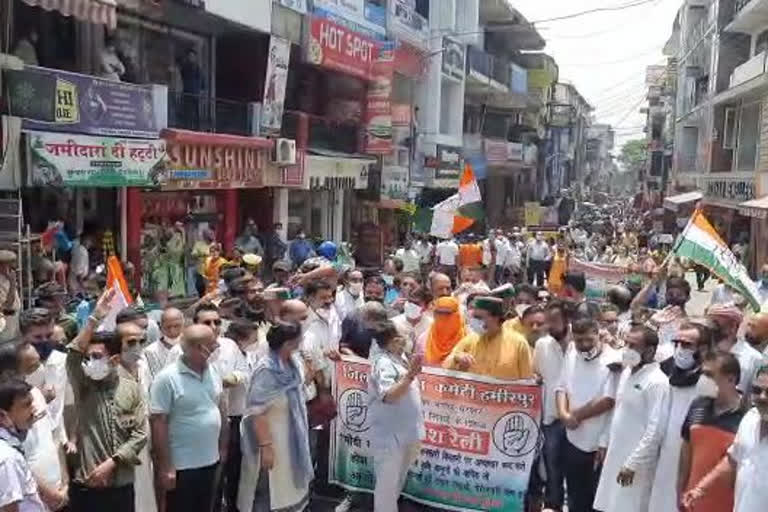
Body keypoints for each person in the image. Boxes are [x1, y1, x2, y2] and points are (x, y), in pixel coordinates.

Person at [66, 290, 147, 512]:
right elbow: (73, 354)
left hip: (121, 487)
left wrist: (112, 463)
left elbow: (140, 434)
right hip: (89, 488)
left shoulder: (130, 388)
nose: (88, 363)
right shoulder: (84, 385)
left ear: (114, 359)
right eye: (88, 357)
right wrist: (94, 318)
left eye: (96, 357)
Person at [150, 324, 228, 512]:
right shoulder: (166, 378)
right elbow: (158, 423)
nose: (217, 346)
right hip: (182, 467)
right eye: (212, 344)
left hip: (211, 460)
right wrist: (166, 467)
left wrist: (223, 446)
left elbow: (219, 408)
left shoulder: (213, 371)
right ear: (198, 348)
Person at [238, 321, 312, 512]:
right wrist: (266, 447)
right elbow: (257, 412)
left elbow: (299, 387)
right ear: (288, 343)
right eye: (299, 339)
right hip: (272, 439)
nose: (301, 342)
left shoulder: (292, 362)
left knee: (291, 489)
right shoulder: (267, 370)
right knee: (270, 492)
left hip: (292, 436)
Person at [594, 325, 669, 512]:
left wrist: (633, 463)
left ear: (650, 350)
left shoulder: (657, 382)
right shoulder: (627, 372)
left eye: (633, 345)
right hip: (614, 455)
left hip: (635, 465)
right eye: (626, 343)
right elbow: (617, 411)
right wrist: (604, 442)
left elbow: (655, 429)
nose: (627, 349)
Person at [682, 364, 768, 512]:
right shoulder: (750, 419)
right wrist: (701, 488)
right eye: (757, 390)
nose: (762, 397)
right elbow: (732, 459)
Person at [648, 322, 713, 512]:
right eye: (677, 344)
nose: (679, 350)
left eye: (686, 345)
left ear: (703, 348)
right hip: (661, 456)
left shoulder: (709, 383)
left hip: (688, 460)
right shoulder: (666, 371)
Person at [555, 318, 619, 512]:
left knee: (596, 500)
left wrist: (575, 416)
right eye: (579, 340)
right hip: (572, 439)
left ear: (598, 334)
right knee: (575, 496)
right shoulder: (572, 351)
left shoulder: (614, 360)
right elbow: (561, 386)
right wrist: (563, 414)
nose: (584, 346)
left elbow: (609, 399)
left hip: (598, 444)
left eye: (588, 340)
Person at [677, 351, 746, 512]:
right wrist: (680, 489)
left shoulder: (746, 416)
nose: (703, 380)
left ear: (731, 379)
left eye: (709, 375)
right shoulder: (697, 405)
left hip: (726, 504)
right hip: (691, 500)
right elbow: (686, 451)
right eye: (702, 374)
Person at [368, 322, 424, 512]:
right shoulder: (382, 362)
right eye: (404, 335)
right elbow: (389, 396)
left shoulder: (400, 358)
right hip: (390, 437)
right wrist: (410, 376)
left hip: (406, 433)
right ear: (392, 340)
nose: (409, 338)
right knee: (387, 488)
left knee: (396, 485)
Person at [10, 343, 69, 511]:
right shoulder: (8, 411)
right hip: (33, 500)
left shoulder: (36, 394)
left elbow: (53, 437)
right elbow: (18, 460)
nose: (40, 369)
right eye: (32, 367)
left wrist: (65, 482)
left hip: (59, 492)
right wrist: (49, 493)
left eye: (40, 363)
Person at [531, 300, 570, 511]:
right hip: (552, 418)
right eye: (548, 322)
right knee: (552, 466)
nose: (551, 326)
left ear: (567, 320)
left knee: (576, 470)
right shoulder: (542, 345)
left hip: (578, 418)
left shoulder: (579, 344)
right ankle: (553, 505)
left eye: (555, 321)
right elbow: (536, 372)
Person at [443, 296, 533, 380]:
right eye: (474, 317)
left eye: (479, 318)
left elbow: (527, 381)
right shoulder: (470, 340)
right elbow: (445, 365)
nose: (475, 321)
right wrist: (456, 358)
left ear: (496, 318)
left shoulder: (519, 343)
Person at [19, 308, 69, 450]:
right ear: (23, 336)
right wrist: (39, 397)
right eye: (37, 337)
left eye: (49, 335)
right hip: (27, 444)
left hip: (58, 442)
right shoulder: (12, 368)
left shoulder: (62, 360)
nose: (45, 341)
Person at [0, 377, 47, 511]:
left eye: (32, 403)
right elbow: (10, 508)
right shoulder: (7, 458)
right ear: (2, 416)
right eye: (26, 405)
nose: (33, 410)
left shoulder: (10, 446)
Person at [706, 304, 763, 397]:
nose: (709, 327)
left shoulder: (753, 358)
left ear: (733, 326)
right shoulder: (702, 350)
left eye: (715, 323)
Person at [422, 296, 464, 366]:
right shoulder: (424, 339)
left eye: (447, 314)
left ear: (457, 315)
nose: (443, 317)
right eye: (439, 313)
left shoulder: (467, 339)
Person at [143, 307, 184, 381]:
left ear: (183, 324)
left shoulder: (193, 345)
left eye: (176, 326)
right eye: (168, 327)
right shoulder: (150, 351)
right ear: (161, 326)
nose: (172, 330)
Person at [391, 287, 433, 356]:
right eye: (409, 301)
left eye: (416, 303)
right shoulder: (393, 324)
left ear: (426, 307)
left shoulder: (432, 325)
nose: (411, 305)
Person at [0, 250, 20, 343]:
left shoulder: (8, 277)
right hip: (5, 321)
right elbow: (7, 306)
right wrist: (12, 284)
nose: (12, 268)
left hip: (15, 319)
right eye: (8, 264)